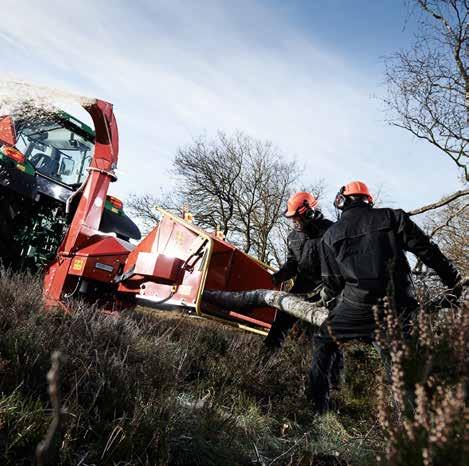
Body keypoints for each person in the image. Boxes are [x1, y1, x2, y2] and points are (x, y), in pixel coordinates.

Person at [310, 181, 462, 413]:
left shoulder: (330, 235)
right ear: (368, 200)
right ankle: (412, 426)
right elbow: (428, 251)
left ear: (342, 202)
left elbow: (333, 284)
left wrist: (328, 304)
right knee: (400, 369)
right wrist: (453, 281)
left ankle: (318, 410)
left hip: (355, 306)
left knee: (323, 340)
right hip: (396, 308)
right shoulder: (393, 217)